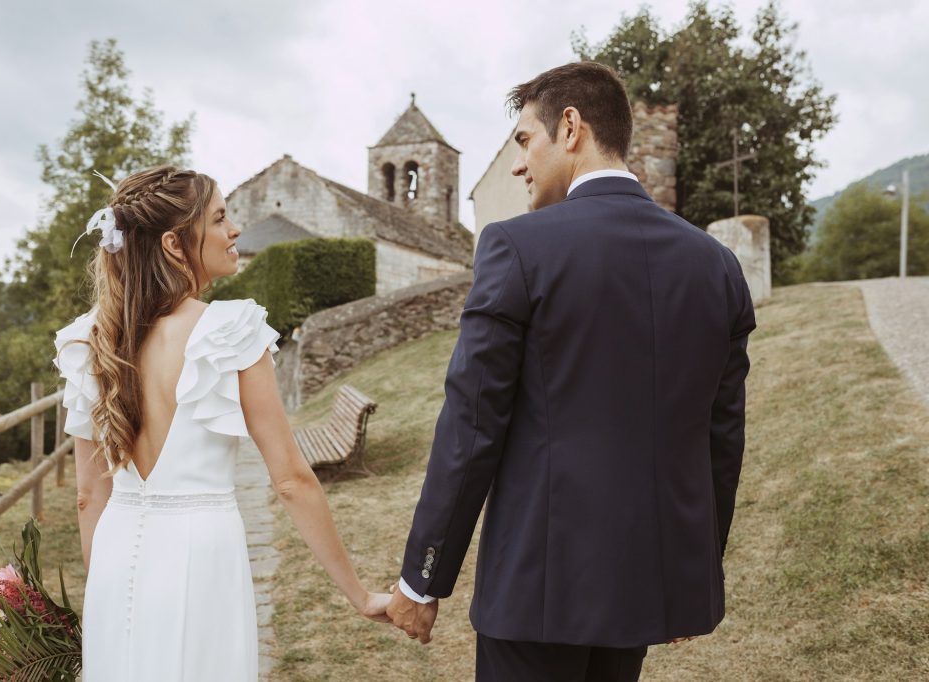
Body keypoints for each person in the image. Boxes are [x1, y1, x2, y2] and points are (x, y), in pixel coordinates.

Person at [385, 62, 756, 682]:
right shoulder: (717, 267)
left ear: (571, 127)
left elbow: (471, 431)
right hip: (646, 586)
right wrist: (692, 574)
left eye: (525, 141)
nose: (518, 164)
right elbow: (721, 440)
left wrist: (421, 581)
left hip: (537, 594)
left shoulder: (516, 248)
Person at [54, 166, 390, 681]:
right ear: (173, 243)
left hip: (115, 557)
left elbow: (87, 495)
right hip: (202, 554)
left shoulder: (88, 339)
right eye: (219, 218)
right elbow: (291, 480)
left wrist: (103, 585)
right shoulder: (230, 330)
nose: (235, 230)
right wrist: (360, 595)